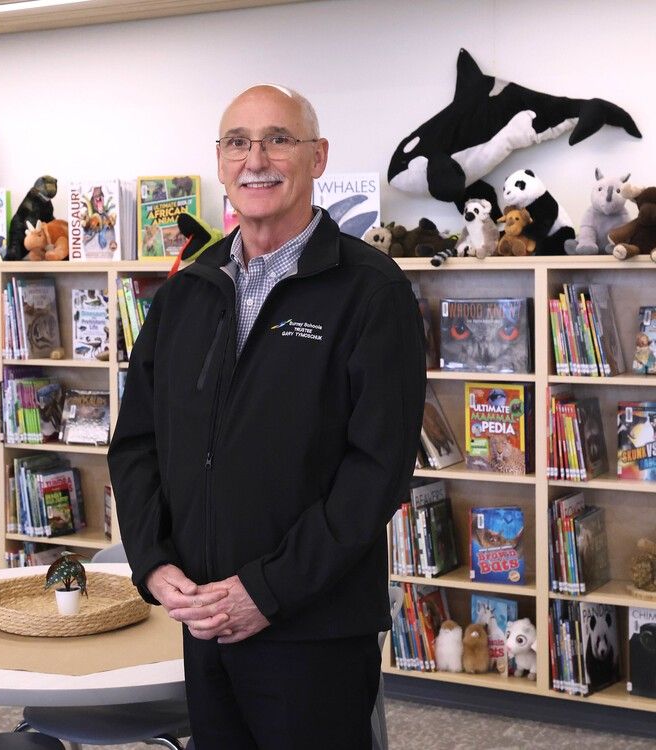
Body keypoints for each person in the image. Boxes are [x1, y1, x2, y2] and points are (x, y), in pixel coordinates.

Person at [108, 84, 426, 749]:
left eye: (278, 139)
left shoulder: (372, 292)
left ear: (317, 156)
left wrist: (264, 591)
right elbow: (137, 444)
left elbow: (377, 473)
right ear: (220, 162)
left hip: (314, 633)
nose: (256, 159)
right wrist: (154, 565)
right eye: (237, 143)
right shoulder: (187, 293)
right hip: (203, 623)